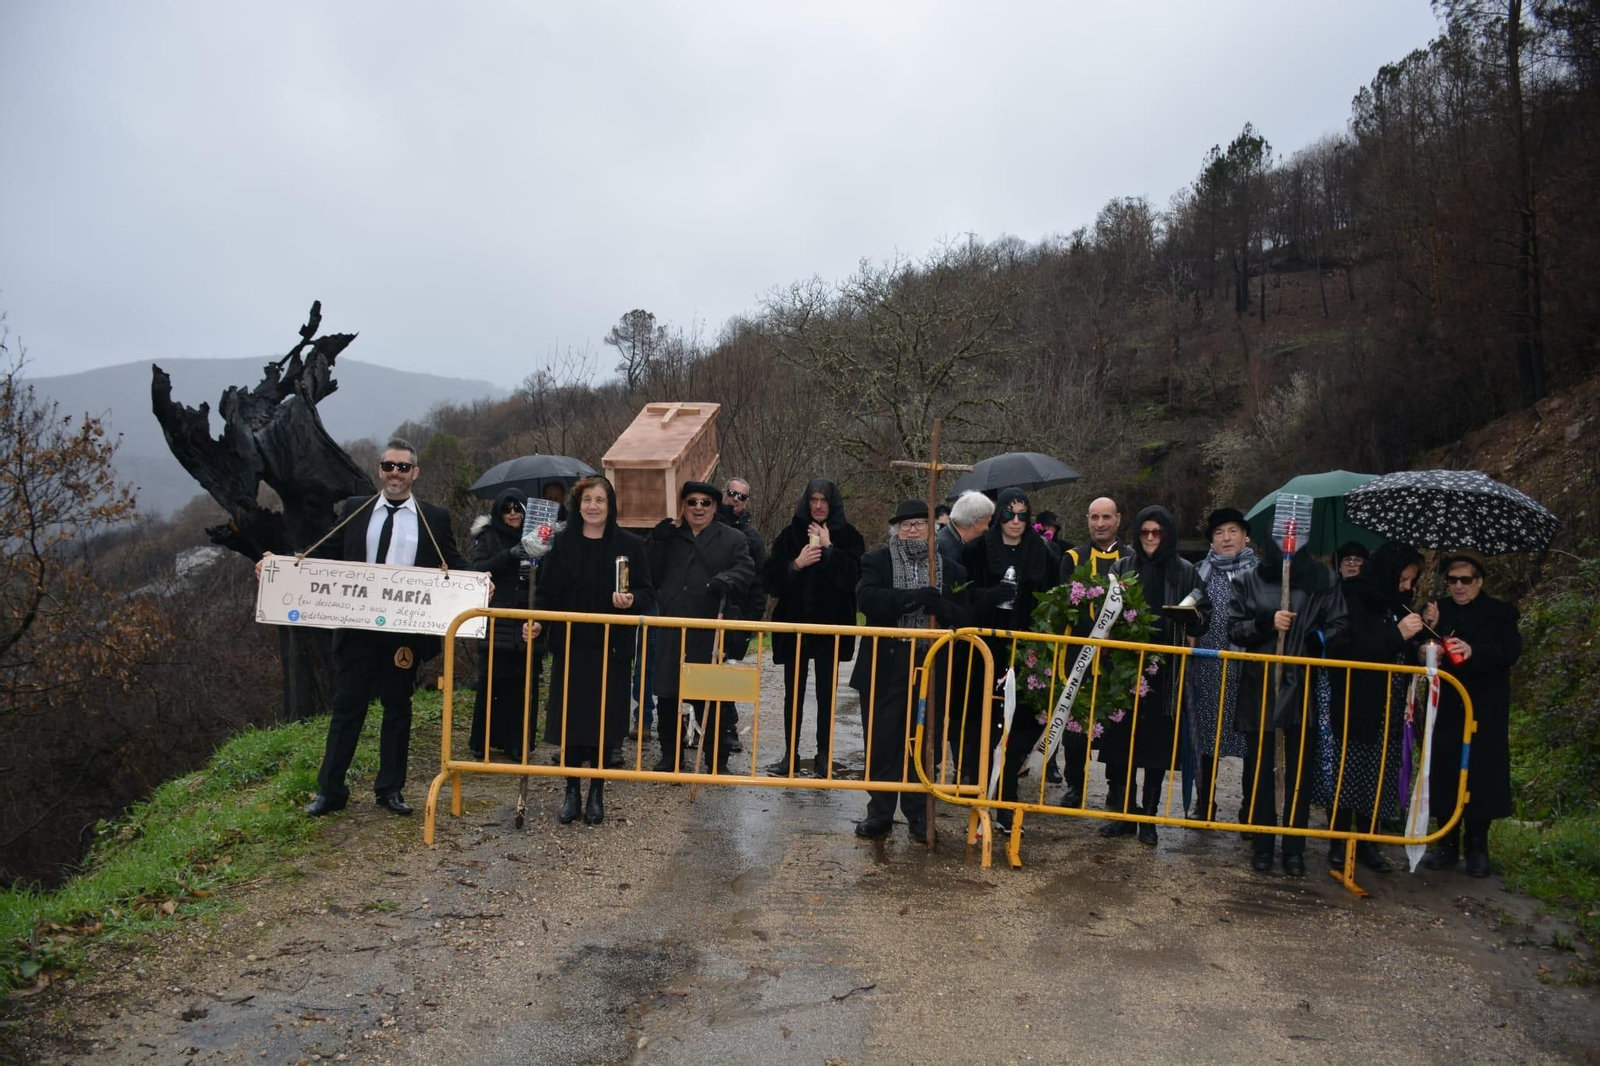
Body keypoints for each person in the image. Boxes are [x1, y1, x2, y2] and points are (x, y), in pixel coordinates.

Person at [258, 439, 469, 818]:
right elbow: (324, 553)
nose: (394, 474)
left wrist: (479, 581)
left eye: (403, 467)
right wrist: (282, 566)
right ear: (379, 470)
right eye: (388, 466)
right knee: (346, 708)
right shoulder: (356, 510)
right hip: (356, 629)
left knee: (397, 709)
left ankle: (390, 789)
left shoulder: (433, 517)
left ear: (415, 473)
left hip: (404, 633)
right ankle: (331, 790)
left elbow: (450, 563)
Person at [526, 476, 655, 825]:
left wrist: (631, 600)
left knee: (602, 722)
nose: (593, 506)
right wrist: (538, 622)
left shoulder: (630, 545)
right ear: (577, 505)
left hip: (612, 648)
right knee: (571, 721)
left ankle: (597, 791)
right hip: (570, 645)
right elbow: (547, 593)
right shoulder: (561, 543)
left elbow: (647, 592)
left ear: (610, 506)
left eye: (600, 500)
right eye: (587, 500)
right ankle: (571, 791)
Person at [1227, 536, 1349, 875]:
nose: (1288, 545)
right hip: (1260, 685)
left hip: (1302, 686)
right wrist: (1267, 623)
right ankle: (1263, 844)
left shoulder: (1323, 580)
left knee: (1299, 771)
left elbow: (1340, 625)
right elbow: (1234, 628)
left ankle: (1294, 849)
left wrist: (1314, 640)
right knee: (1263, 769)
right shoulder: (1248, 580)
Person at [851, 499, 971, 840]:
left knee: (926, 738)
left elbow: (965, 616)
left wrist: (941, 606)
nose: (913, 530)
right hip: (886, 664)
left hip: (931, 663)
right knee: (882, 739)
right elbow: (868, 600)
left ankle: (919, 813)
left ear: (933, 529)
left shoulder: (952, 568)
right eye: (906, 525)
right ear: (895, 530)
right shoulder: (877, 560)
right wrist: (912, 598)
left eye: (920, 524)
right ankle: (880, 812)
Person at [1100, 506, 1210, 847]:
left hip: (1166, 671)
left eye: (1156, 533)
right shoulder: (1123, 566)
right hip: (1125, 668)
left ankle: (1148, 818)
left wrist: (1190, 619)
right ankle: (1123, 814)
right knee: (1121, 746)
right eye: (1144, 532)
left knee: (1155, 748)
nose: (1150, 538)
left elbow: (1203, 614)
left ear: (1168, 535)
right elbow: (1106, 609)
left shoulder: (1186, 571)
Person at [1419, 549, 1522, 877]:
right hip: (1447, 705)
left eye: (1466, 580)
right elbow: (1421, 646)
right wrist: (1426, 640)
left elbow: (1510, 651)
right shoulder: (1439, 611)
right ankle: (1446, 842)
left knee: (1483, 772)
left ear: (1480, 581)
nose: (1459, 586)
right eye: (1452, 580)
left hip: (1485, 705)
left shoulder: (1501, 613)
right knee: (1446, 769)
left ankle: (1477, 845)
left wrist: (1475, 651)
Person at [962, 487, 1060, 829]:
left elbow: (1054, 599)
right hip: (984, 649)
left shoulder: (1042, 553)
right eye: (1008, 514)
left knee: (1023, 724)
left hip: (1027, 652)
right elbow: (963, 596)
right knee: (982, 725)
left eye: (1022, 515)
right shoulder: (976, 550)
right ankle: (981, 796)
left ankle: (1007, 793)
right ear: (998, 515)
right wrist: (992, 596)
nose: (1015, 521)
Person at [1324, 541, 1425, 872]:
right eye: (1404, 579)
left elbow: (1401, 652)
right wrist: (1397, 634)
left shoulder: (1400, 606)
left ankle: (1369, 843)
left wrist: (1419, 649)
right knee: (1349, 773)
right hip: (1358, 703)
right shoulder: (1353, 597)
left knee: (1379, 777)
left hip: (1391, 710)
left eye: (1412, 581)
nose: (1407, 587)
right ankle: (1338, 843)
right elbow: (1353, 649)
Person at [647, 481, 755, 774]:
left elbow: (746, 570)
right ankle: (670, 757)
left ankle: (716, 761)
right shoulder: (669, 536)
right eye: (692, 502)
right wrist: (655, 542)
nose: (698, 508)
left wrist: (727, 579)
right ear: (683, 505)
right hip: (672, 626)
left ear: (715, 506)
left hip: (711, 629)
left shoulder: (731, 538)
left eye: (705, 503)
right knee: (669, 695)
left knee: (712, 698)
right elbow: (649, 573)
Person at [764, 478, 865, 777]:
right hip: (794, 628)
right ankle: (789, 754)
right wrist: (796, 564)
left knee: (825, 694)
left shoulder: (850, 537)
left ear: (833, 504)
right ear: (806, 502)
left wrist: (829, 548)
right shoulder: (789, 535)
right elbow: (770, 581)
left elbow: (853, 579)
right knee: (792, 693)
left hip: (831, 629)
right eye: (814, 500)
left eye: (824, 500)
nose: (819, 506)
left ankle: (824, 754)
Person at [1054, 496, 1134, 794]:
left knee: (1117, 726)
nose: (1100, 524)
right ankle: (1075, 785)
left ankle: (1117, 789)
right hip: (1078, 656)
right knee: (1076, 724)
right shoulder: (1073, 558)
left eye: (1106, 517)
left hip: (1116, 658)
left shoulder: (1131, 559)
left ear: (1118, 519)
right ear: (1087, 520)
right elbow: (1064, 607)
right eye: (1094, 517)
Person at [1186, 507, 1257, 820]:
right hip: (1209, 667)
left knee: (1253, 739)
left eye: (1232, 531)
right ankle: (1205, 803)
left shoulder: (1262, 573)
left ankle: (1251, 806)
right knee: (1206, 738)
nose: (1226, 538)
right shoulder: (1199, 572)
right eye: (1218, 533)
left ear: (1245, 535)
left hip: (1250, 668)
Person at [468, 488, 535, 760]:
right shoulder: (488, 536)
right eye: (507, 509)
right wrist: (510, 554)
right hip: (496, 619)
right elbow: (477, 569)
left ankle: (519, 743)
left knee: (523, 683)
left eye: (517, 508)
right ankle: (482, 741)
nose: (513, 514)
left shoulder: (537, 538)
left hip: (526, 618)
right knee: (491, 683)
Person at [717, 477, 768, 754]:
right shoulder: (708, 526)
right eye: (732, 493)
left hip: (738, 616)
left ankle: (728, 728)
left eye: (742, 496)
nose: (736, 499)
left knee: (728, 673)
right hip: (706, 612)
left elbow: (759, 581)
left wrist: (752, 618)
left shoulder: (751, 536)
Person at [937, 490, 993, 566]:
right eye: (987, 522)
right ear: (976, 522)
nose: (987, 528)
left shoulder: (952, 542)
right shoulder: (942, 549)